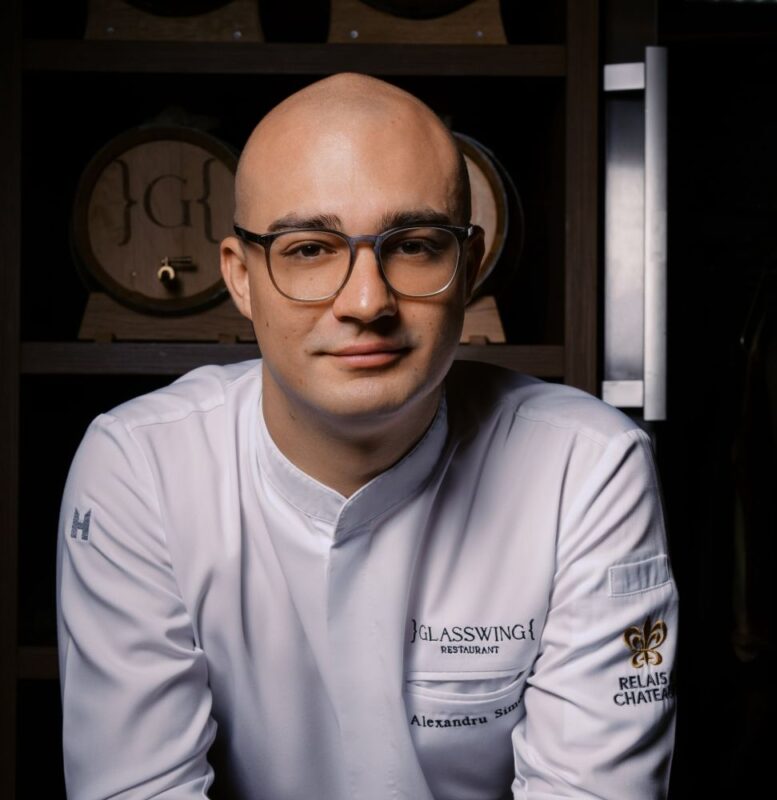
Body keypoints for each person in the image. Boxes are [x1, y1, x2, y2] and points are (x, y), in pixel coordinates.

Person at [56, 72, 678, 799]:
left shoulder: (589, 469)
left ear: (469, 267)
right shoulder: (140, 470)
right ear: (241, 277)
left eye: (413, 244)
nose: (366, 301)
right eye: (309, 248)